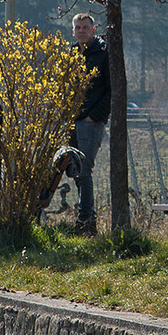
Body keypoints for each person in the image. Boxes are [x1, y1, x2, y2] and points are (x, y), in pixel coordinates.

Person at [69, 13, 111, 234]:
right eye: (78, 27)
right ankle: (85, 217)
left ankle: (87, 222)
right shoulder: (72, 54)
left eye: (85, 27)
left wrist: (93, 116)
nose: (82, 30)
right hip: (73, 122)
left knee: (84, 170)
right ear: (73, 31)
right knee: (75, 170)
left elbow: (111, 90)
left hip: (90, 123)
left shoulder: (103, 54)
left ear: (94, 30)